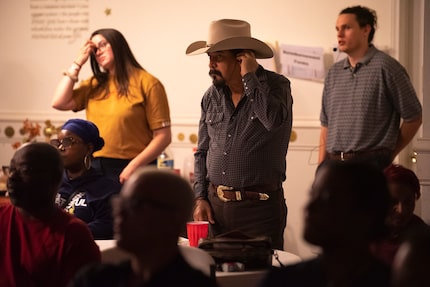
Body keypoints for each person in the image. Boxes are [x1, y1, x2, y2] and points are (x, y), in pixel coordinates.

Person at [185, 19, 293, 250]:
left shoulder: (276, 86)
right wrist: (200, 198)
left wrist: (250, 78)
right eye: (209, 57)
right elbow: (202, 151)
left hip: (259, 211)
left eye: (218, 57)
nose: (211, 64)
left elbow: (272, 121)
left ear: (242, 57)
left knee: (261, 279)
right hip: (216, 210)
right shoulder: (210, 96)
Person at [52, 28, 171, 184]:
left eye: (103, 45)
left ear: (118, 45)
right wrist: (78, 63)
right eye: (94, 49)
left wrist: (133, 166)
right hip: (95, 166)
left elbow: (163, 136)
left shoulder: (148, 83)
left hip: (134, 168)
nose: (98, 52)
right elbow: (59, 102)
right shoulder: (95, 83)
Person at [69, 167, 218, 287]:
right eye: (120, 204)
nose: (120, 213)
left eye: (133, 205)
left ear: (172, 219)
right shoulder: (95, 279)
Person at [319, 5, 422, 169]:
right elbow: (326, 125)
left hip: (371, 165)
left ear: (366, 30)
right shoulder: (334, 73)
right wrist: (320, 167)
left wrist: (388, 155)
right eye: (337, 28)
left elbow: (414, 117)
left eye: (346, 28)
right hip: (334, 165)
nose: (339, 34)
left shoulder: (387, 68)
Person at [260, 160, 392, 287]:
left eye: (326, 199)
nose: (309, 207)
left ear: (365, 214)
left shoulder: (395, 282)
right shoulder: (283, 281)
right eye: (312, 195)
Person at [0, 142, 101, 287]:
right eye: (11, 169)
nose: (12, 177)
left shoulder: (74, 236)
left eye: (25, 170)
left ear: (55, 178)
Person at [51, 118, 121, 240]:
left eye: (68, 142)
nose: (61, 148)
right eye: (58, 143)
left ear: (88, 148)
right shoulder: (50, 183)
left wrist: (64, 233)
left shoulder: (107, 189)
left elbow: (107, 226)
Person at [371, 163, 428, 265]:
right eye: (393, 202)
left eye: (408, 202)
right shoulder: (364, 233)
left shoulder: (423, 237)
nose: (401, 210)